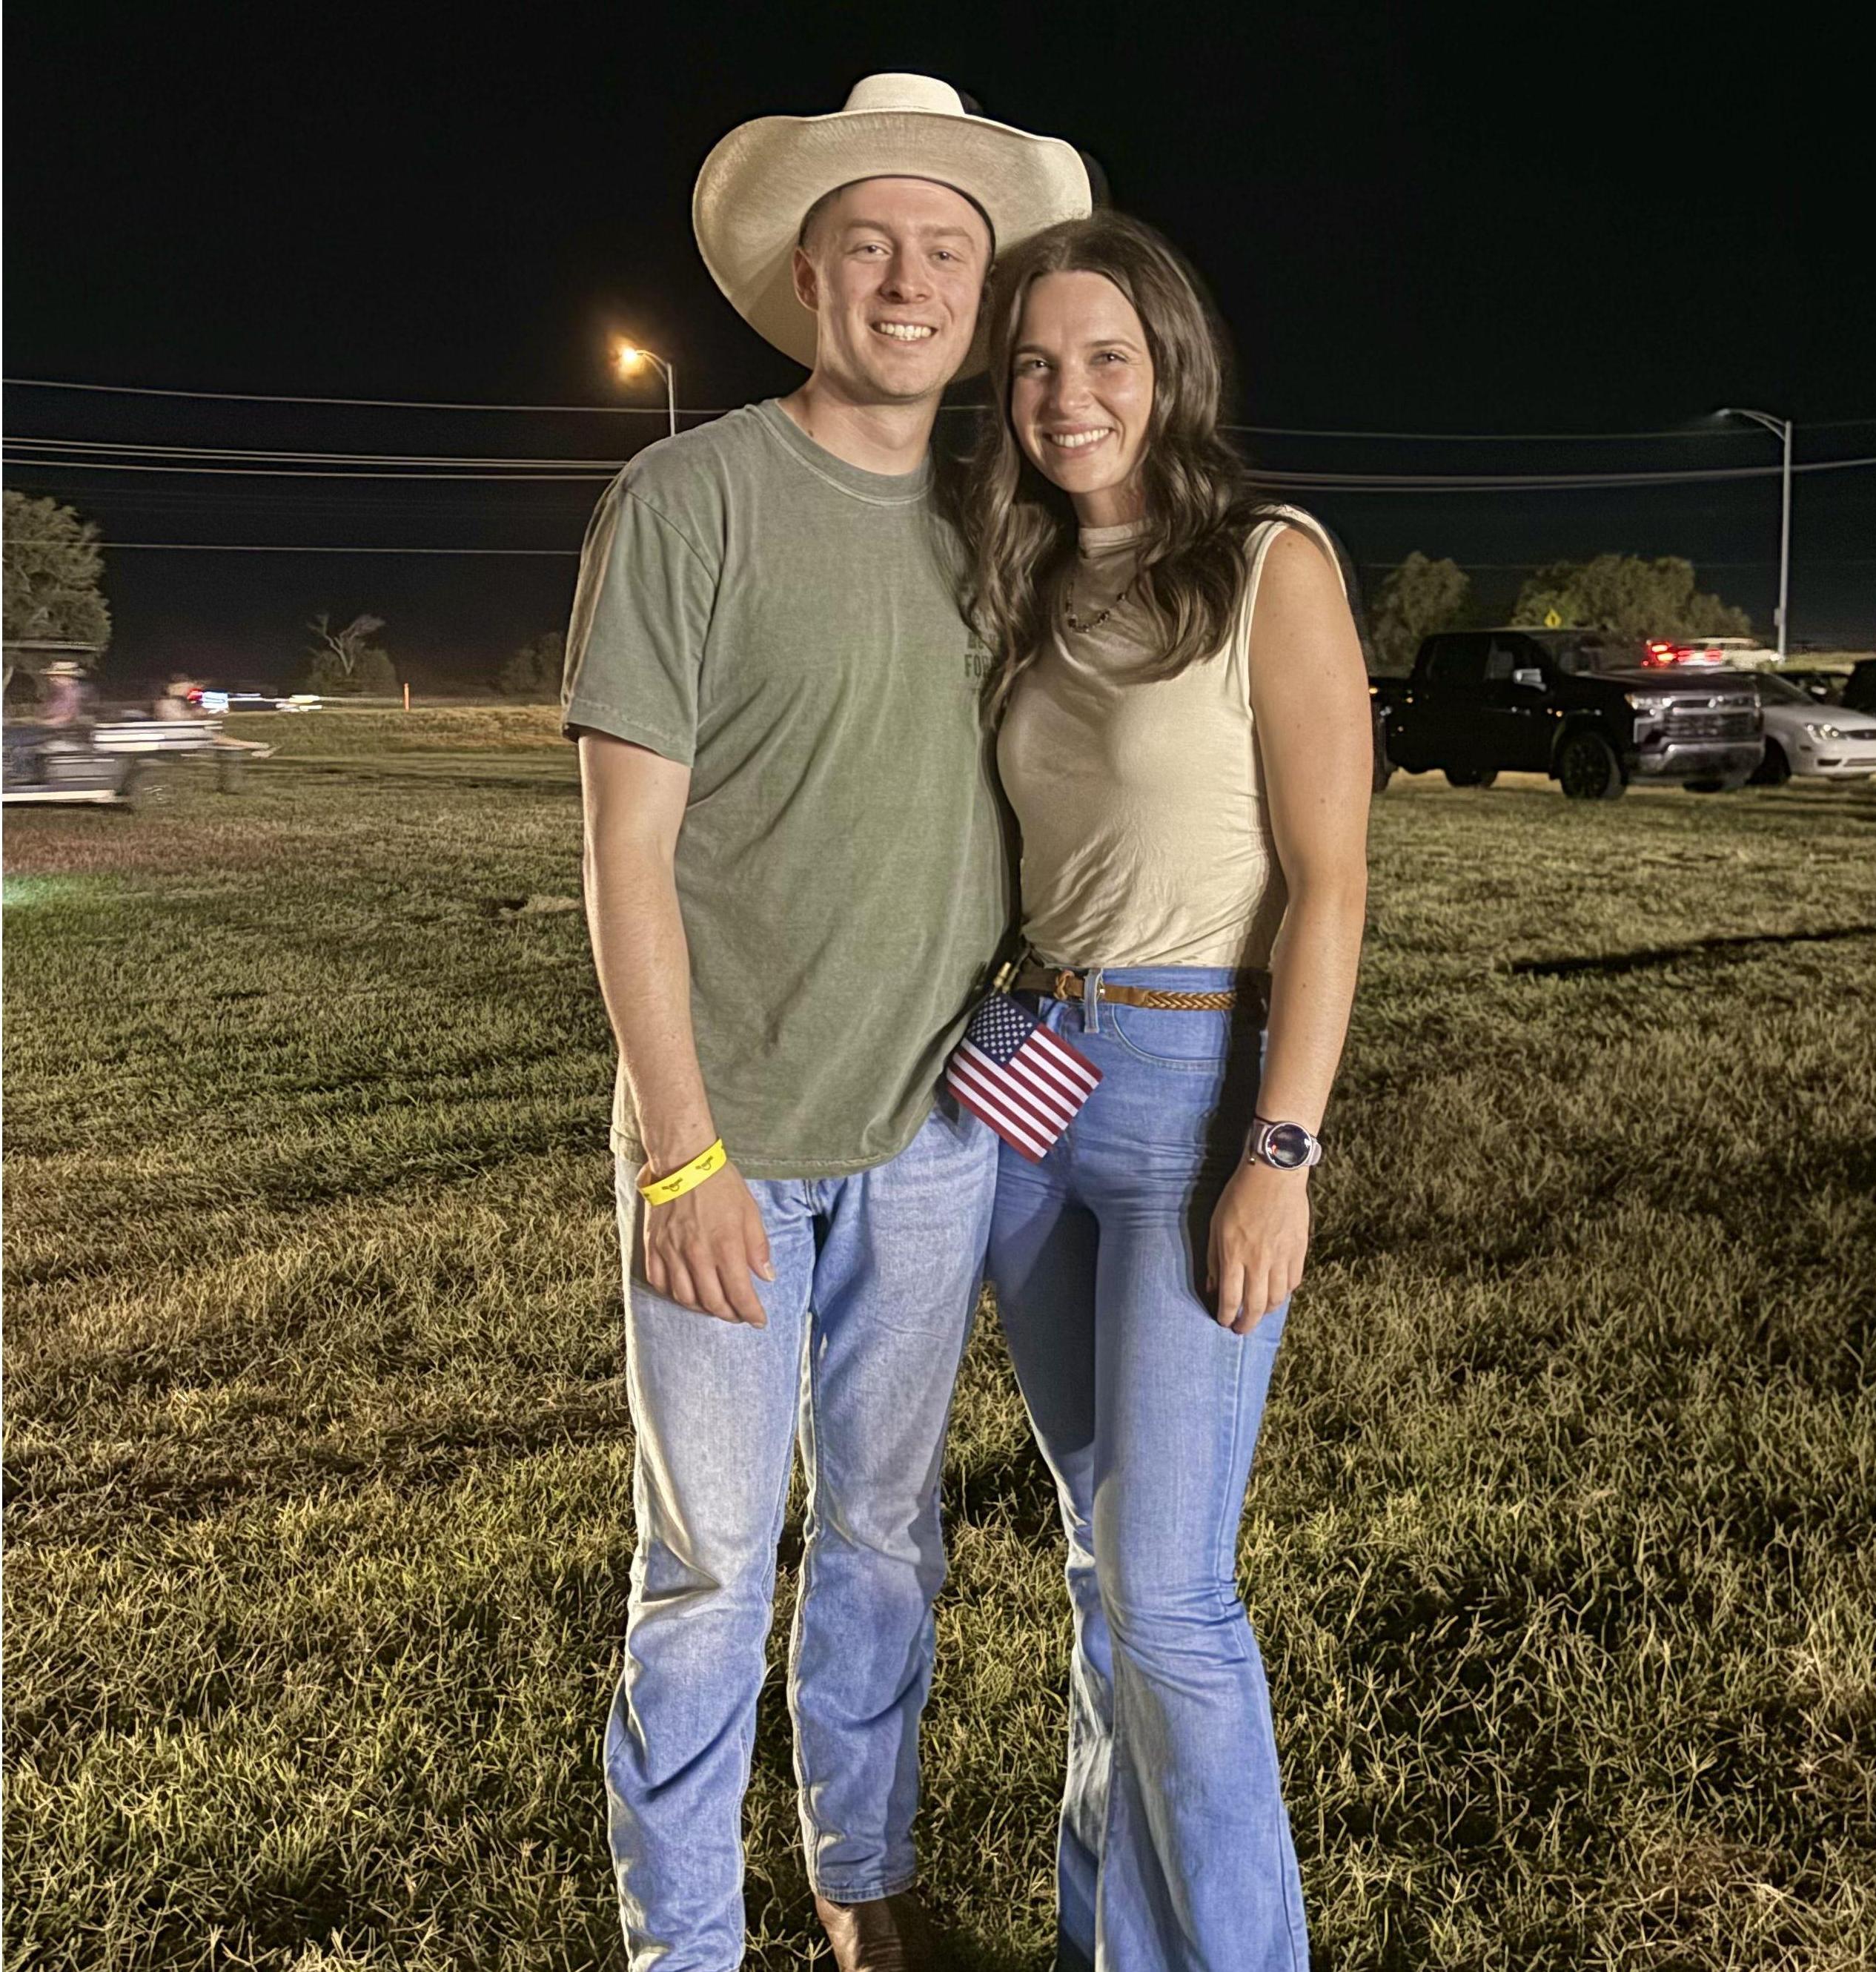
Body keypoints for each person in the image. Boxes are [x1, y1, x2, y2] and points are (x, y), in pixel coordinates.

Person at [560, 75, 1090, 1972]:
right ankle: (681, 1941)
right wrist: (679, 1143)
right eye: (869, 242)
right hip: (733, 1142)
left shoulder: (1007, 522)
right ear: (806, 274)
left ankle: (862, 1885)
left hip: (937, 1141)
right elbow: (626, 859)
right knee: (704, 1563)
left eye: (947, 248)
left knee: (883, 1537)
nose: (909, 278)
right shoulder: (683, 497)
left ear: (981, 287)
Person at [961, 211, 1371, 1970]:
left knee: (1172, 1590)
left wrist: (1278, 1149)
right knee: (1093, 1562)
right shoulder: (1026, 585)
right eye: (1037, 364)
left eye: (1103, 357)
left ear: (1168, 366)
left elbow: (1332, 882)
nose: (1069, 394)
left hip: (1195, 1080)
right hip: (1025, 1081)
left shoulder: (1269, 560)